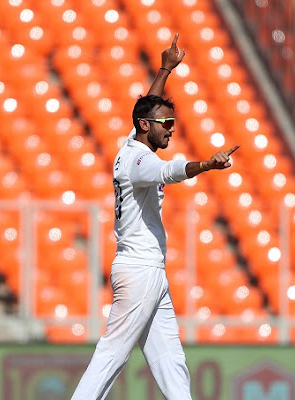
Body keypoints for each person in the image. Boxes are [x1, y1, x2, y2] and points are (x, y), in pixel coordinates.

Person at [70, 34, 239, 400]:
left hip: (148, 270)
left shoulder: (131, 143)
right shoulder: (141, 161)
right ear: (147, 127)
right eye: (166, 123)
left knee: (169, 358)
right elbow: (170, 172)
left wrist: (164, 69)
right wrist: (207, 164)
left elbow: (147, 108)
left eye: (173, 121)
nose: (172, 128)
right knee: (113, 353)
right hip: (140, 269)